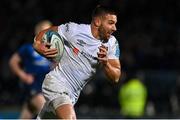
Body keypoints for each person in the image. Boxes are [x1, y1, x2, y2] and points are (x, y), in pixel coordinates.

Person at [33, 5, 121, 119]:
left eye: (115, 23)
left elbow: (116, 77)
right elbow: (47, 31)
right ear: (97, 21)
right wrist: (37, 45)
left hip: (72, 95)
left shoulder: (112, 44)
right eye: (110, 23)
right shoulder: (74, 30)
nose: (114, 28)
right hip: (56, 83)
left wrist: (106, 63)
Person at [9, 20, 53, 119]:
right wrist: (23, 75)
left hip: (46, 88)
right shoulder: (28, 48)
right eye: (45, 31)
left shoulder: (52, 51)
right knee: (47, 113)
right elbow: (13, 61)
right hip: (33, 87)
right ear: (37, 32)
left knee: (26, 116)